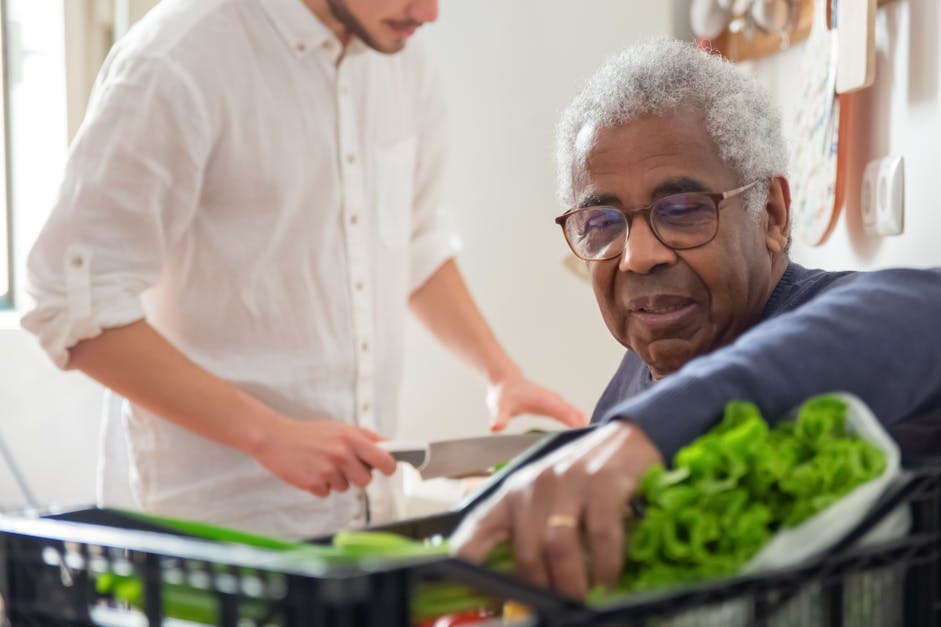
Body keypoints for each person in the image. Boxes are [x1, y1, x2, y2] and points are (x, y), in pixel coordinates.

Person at [451, 38, 941, 599]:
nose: (638, 256)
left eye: (682, 210)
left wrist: (651, 431)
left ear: (771, 214)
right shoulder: (632, 380)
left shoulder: (830, 331)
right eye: (602, 223)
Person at [21, 0, 585, 538]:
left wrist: (499, 374)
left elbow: (414, 240)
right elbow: (71, 302)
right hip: (213, 533)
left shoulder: (402, 58)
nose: (429, 13)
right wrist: (269, 434)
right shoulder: (177, 59)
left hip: (368, 519)